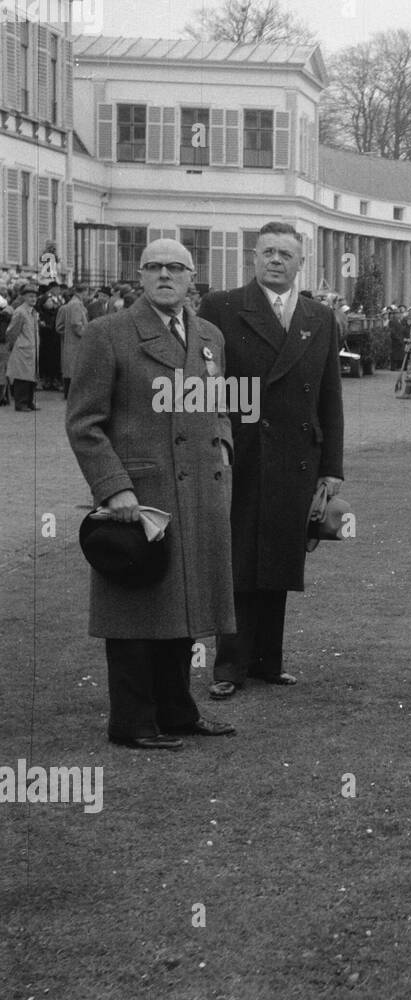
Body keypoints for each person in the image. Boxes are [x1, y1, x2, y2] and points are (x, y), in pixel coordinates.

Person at [64, 239, 237, 750]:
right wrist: (113, 487)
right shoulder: (108, 334)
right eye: (154, 266)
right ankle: (133, 721)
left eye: (176, 267)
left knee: (183, 606)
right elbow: (84, 423)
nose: (165, 275)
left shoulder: (209, 335)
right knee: (136, 608)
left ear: (191, 277)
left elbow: (219, 405)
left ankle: (177, 711)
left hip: (200, 490)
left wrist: (224, 447)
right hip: (142, 495)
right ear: (139, 275)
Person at [200, 221, 344, 699]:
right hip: (241, 451)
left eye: (285, 254)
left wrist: (332, 468)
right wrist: (214, 443)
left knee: (281, 557)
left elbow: (329, 395)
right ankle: (230, 666)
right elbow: (204, 385)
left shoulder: (318, 316)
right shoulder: (221, 307)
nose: (276, 260)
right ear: (254, 258)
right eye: (267, 252)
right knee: (240, 558)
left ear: (301, 262)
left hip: (297, 456)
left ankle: (268, 662)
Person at [4, 283, 40, 410]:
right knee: (22, 377)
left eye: (34, 296)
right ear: (24, 297)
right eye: (30, 296)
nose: (33, 299)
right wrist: (14, 345)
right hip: (22, 349)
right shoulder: (20, 312)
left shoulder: (33, 312)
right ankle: (21, 403)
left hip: (32, 349)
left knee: (31, 376)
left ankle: (29, 401)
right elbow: (12, 331)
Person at [56, 285, 88, 397]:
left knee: (71, 367)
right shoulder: (76, 304)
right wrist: (86, 334)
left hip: (72, 341)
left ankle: (69, 393)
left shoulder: (73, 303)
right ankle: (71, 394)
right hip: (76, 341)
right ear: (84, 292)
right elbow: (76, 323)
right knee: (74, 368)